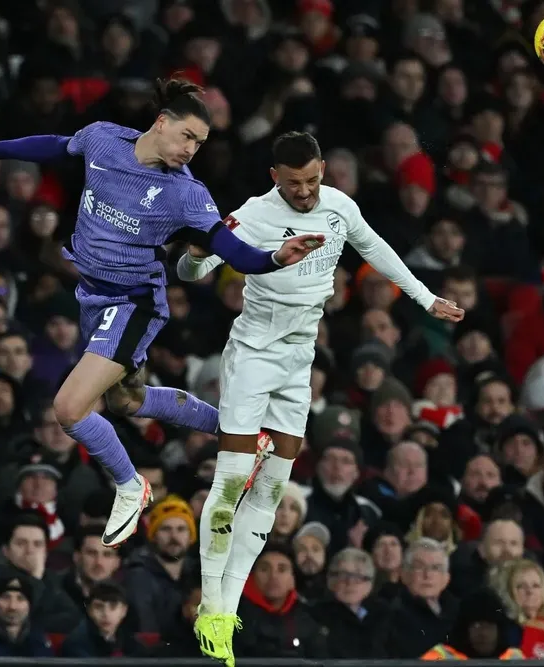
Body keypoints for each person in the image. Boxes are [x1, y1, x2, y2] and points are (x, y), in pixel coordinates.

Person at [0, 78, 324, 549]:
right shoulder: (103, 138)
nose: (192, 150)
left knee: (68, 408)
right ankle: (244, 435)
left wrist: (272, 258)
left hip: (134, 304)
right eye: (187, 136)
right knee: (126, 401)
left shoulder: (185, 194)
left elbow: (230, 249)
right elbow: (57, 147)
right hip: (92, 296)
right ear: (161, 123)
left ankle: (130, 486)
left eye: (200, 144)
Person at [178, 131, 464, 665]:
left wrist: (425, 298)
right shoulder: (253, 215)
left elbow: (374, 246)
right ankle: (212, 604)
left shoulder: (338, 206)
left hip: (299, 358)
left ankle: (228, 604)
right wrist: (196, 252)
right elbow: (192, 271)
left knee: (273, 486)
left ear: (323, 170)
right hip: (255, 352)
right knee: (234, 477)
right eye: (294, 184)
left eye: (312, 180)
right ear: (274, 179)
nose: (306, 192)